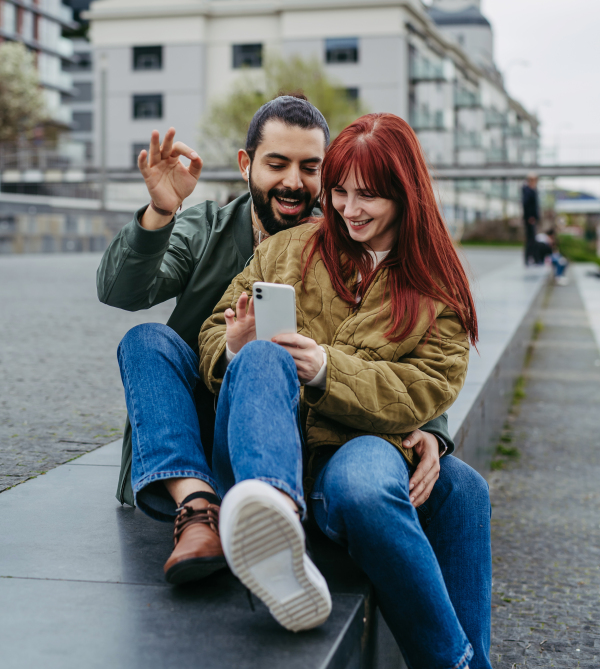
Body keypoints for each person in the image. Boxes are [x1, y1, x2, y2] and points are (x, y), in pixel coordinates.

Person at [97, 97, 451, 584]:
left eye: (311, 167)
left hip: (299, 434)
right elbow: (121, 291)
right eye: (276, 164)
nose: (293, 182)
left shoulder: (347, 233)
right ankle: (198, 509)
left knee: (464, 491)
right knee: (145, 341)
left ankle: (273, 508)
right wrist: (161, 211)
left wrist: (433, 429)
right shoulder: (205, 229)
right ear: (247, 165)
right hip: (200, 424)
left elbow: (400, 335)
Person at [198, 114, 492, 669]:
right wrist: (235, 343)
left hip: (354, 449)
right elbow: (211, 333)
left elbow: (429, 386)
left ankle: (462, 663)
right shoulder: (286, 250)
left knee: (460, 491)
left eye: (369, 196)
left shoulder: (436, 284)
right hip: (268, 446)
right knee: (262, 353)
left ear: (406, 194)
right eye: (339, 192)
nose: (349, 210)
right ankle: (273, 513)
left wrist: (325, 369)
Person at [522, 174, 540, 265]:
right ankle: (529, 259)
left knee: (532, 239)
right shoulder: (527, 190)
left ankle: (532, 258)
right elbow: (526, 205)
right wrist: (530, 217)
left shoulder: (532, 190)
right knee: (530, 240)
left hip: (532, 218)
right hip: (530, 219)